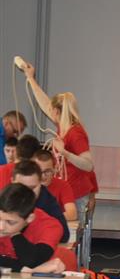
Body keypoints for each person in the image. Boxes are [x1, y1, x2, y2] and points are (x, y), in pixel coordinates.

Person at [20, 62, 96, 221]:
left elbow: (88, 165)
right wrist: (30, 78)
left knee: (71, 230)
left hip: (77, 193)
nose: (49, 111)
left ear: (57, 111)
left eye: (51, 110)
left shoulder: (75, 133)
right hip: (68, 190)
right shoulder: (63, 126)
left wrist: (64, 152)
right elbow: (44, 103)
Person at [0, 183, 63, 272]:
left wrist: (15, 234)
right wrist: (25, 269)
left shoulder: (50, 226)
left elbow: (33, 261)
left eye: (10, 222)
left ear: (30, 218)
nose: (1, 227)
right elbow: (33, 267)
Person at [11, 160, 69, 243]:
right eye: (21, 187)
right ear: (12, 182)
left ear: (41, 183)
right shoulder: (5, 198)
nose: (27, 193)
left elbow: (64, 235)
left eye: (32, 188)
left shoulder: (46, 199)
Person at [32, 149, 77, 221]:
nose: (43, 176)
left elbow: (72, 214)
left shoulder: (63, 185)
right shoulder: (27, 185)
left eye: (47, 171)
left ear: (54, 169)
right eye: (39, 171)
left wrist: (43, 219)